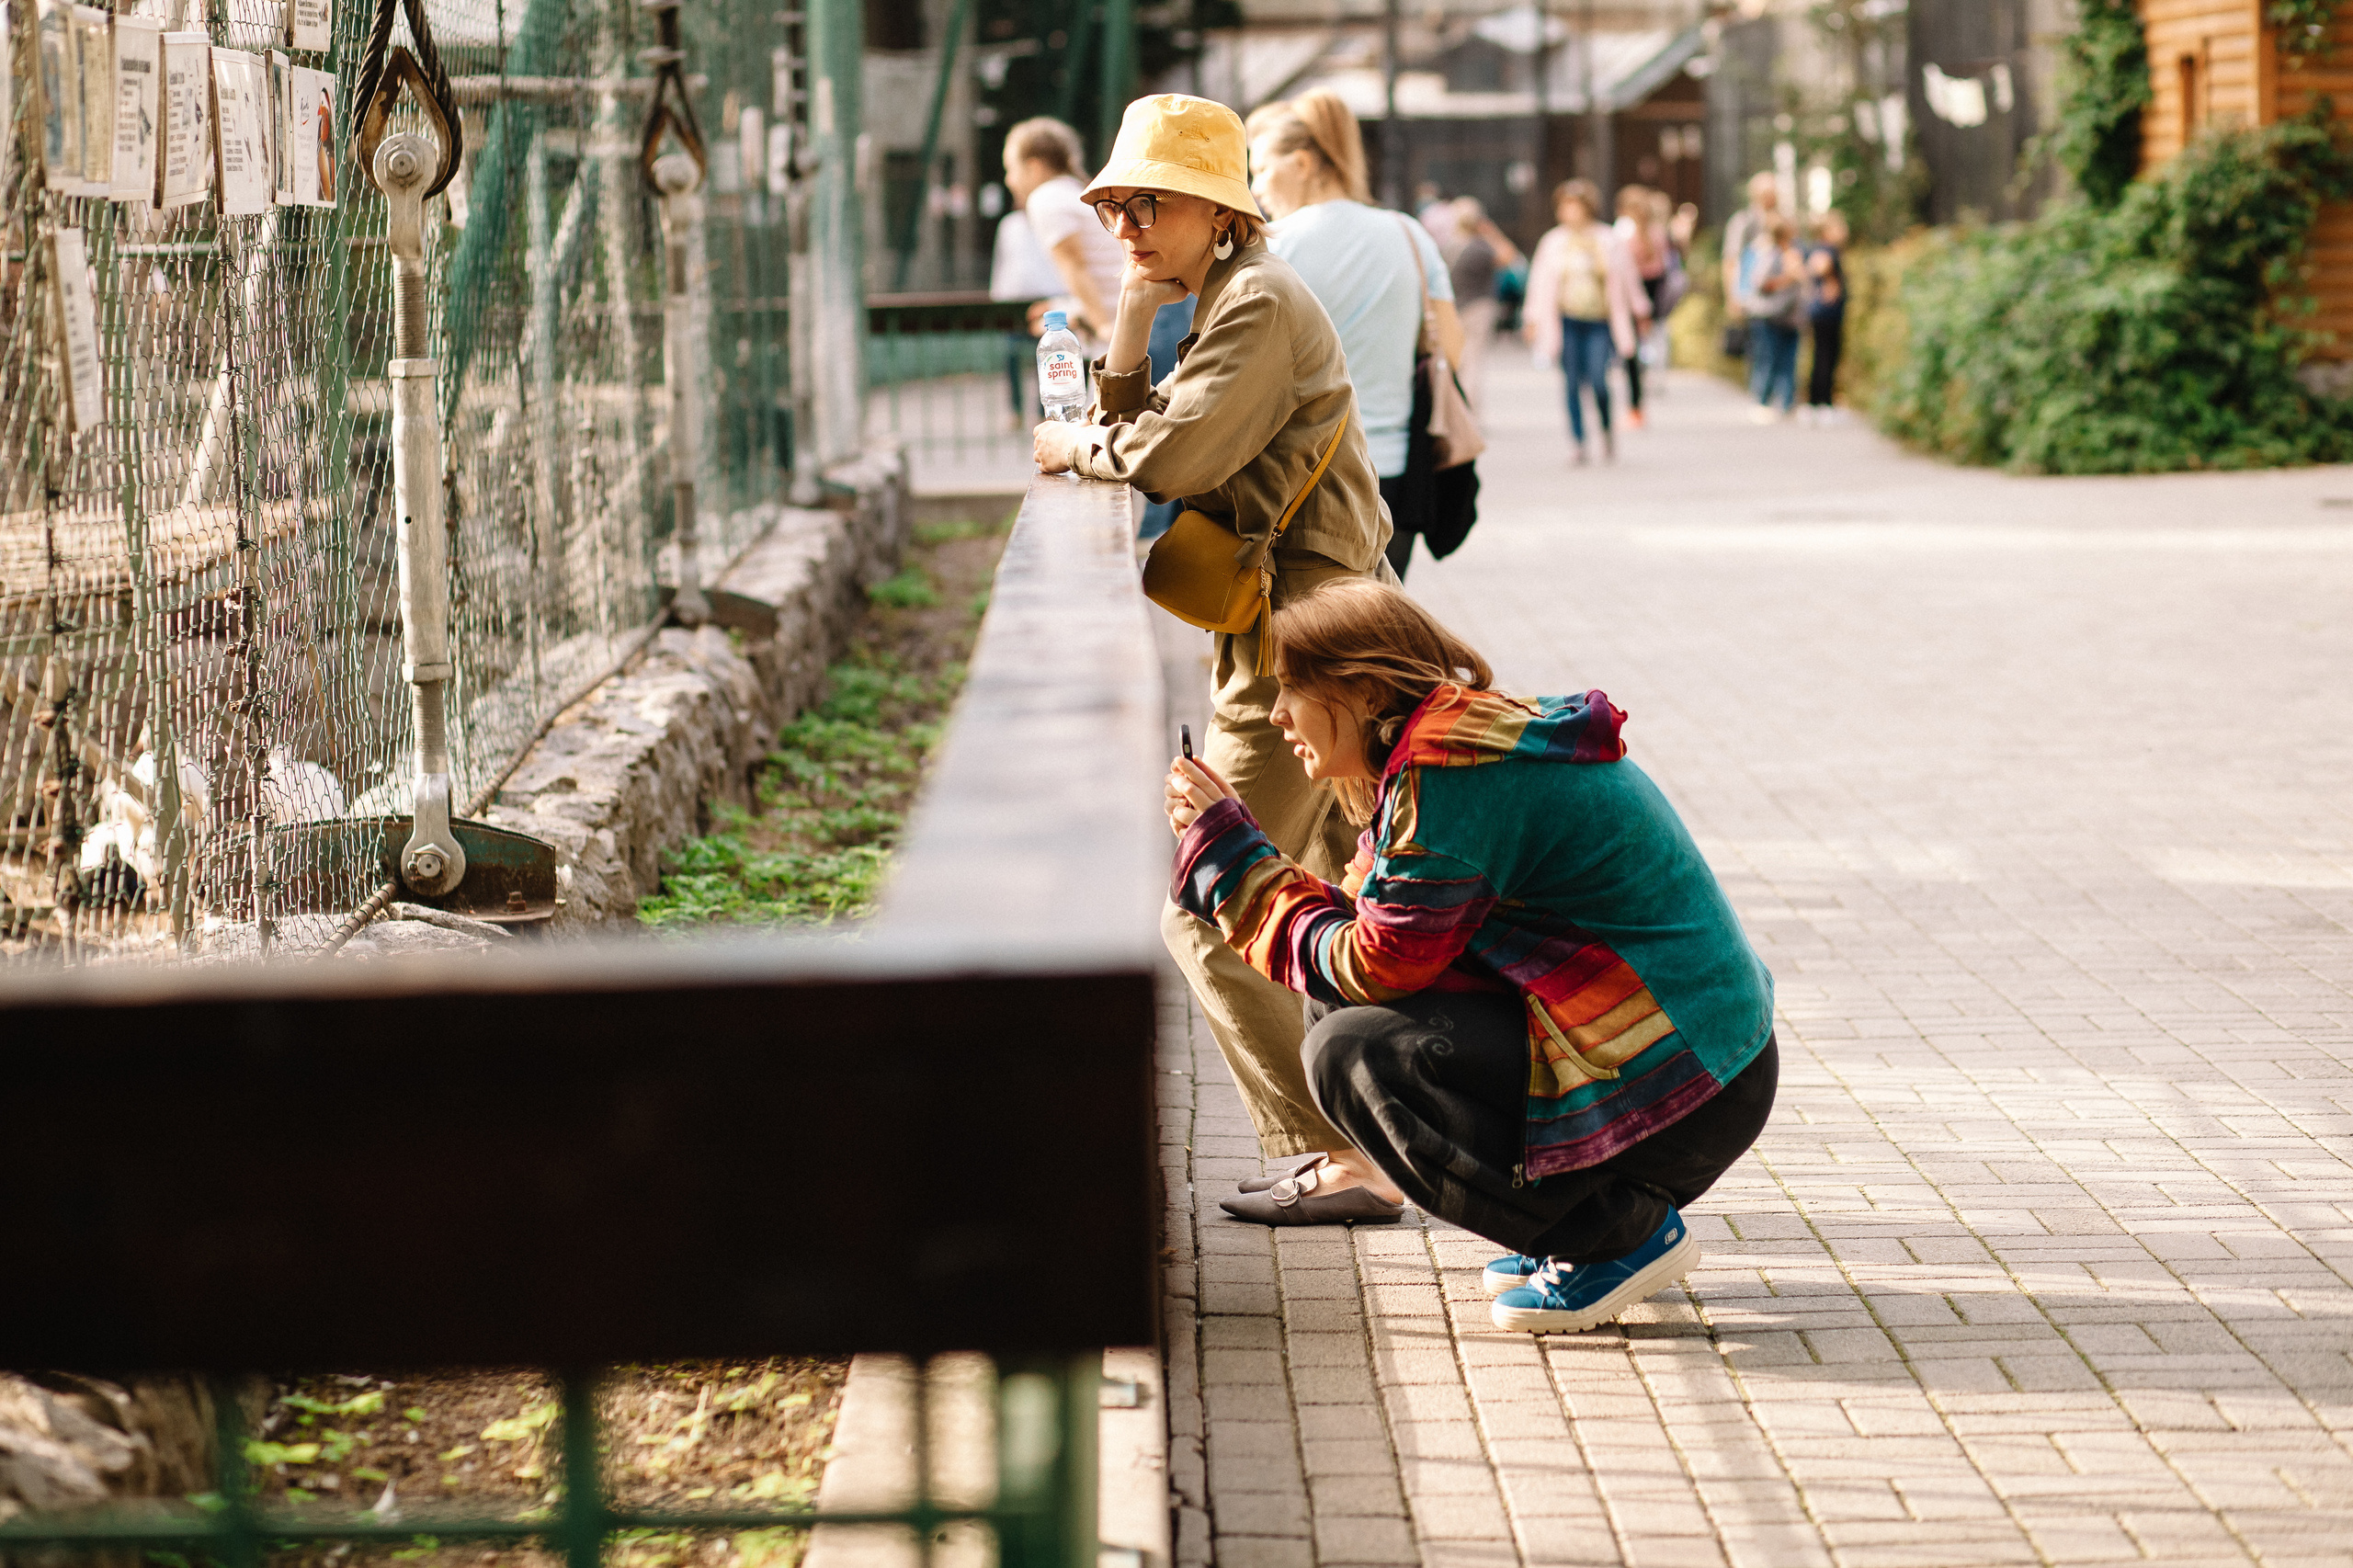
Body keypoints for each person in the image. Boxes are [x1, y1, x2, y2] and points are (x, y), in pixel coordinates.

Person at [1164, 579, 1777, 1331]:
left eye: (1293, 687)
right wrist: (1236, 848)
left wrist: (1231, 859)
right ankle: (1581, 1212)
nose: (1276, 712)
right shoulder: (1450, 746)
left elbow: (1371, 963)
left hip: (1688, 1088)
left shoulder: (1453, 776)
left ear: (1360, 688)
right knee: (1341, 1005)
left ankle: (1613, 1235)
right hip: (1695, 1060)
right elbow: (1371, 928)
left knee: (1349, 1052)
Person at [1030, 94, 1398, 1216]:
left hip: (1305, 647)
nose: (1126, 223)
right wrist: (1133, 324)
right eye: (1116, 205)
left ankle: (1343, 1157)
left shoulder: (1257, 305)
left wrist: (1077, 440)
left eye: (1150, 203)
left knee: (1204, 904)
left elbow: (1176, 456)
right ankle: (1470, 1125)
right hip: (1312, 630)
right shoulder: (1235, 296)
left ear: (1219, 209)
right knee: (1366, 901)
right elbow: (1169, 430)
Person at [1245, 92, 1463, 580]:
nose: (1256, 188)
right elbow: (1452, 346)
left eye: (1260, 169)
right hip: (1396, 475)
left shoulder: (1272, 246)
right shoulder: (1409, 233)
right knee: (1380, 632)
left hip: (1304, 481)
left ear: (1301, 163)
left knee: (1305, 643)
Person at [1524, 179, 1645, 464]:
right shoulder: (1553, 242)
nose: (1569, 212)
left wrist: (1640, 310)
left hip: (1600, 321)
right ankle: (1578, 441)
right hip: (1566, 321)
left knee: (1599, 380)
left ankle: (1605, 429)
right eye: (1565, 207)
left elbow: (1628, 278)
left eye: (1574, 206)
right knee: (1571, 383)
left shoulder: (1608, 239)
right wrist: (1532, 318)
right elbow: (1538, 283)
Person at [1002, 117, 1127, 344]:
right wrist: (1067, 308)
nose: (1008, 180)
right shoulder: (1072, 192)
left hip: (1122, 329)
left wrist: (1102, 328)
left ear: (1034, 167)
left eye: (1011, 169)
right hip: (1133, 318)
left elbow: (1075, 266)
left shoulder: (1045, 199)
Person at [988, 207, 1065, 424]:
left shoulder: (1052, 217)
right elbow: (1001, 260)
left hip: (1048, 298)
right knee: (1011, 355)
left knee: (1048, 358)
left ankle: (1044, 412)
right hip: (1015, 301)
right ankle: (1016, 410)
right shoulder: (1009, 224)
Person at [1444, 196, 1519, 412]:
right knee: (1473, 363)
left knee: (1459, 363)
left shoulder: (1449, 247)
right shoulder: (1481, 247)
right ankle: (1468, 413)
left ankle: (1459, 411)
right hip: (1479, 309)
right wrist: (1491, 232)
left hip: (1455, 309)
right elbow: (1511, 258)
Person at [1739, 213, 1806, 421]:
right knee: (1767, 359)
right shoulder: (1769, 255)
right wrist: (1788, 279)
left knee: (1789, 361)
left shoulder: (1794, 254)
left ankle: (1787, 403)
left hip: (1790, 317)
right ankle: (1762, 401)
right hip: (1769, 316)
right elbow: (1760, 283)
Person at [1613, 185, 1668, 429]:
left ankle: (1635, 404)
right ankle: (1642, 395)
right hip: (1650, 295)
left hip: (1632, 297)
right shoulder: (1656, 233)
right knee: (1646, 344)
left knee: (1631, 350)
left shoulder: (1625, 232)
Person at [1719, 171, 1781, 335]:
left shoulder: (1782, 221)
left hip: (1780, 304)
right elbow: (1731, 260)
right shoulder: (1743, 222)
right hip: (1752, 300)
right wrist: (1732, 298)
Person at [1805, 210, 1850, 423]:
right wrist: (1830, 281)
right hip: (1827, 313)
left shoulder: (1823, 249)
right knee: (1826, 357)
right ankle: (1822, 403)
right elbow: (1819, 267)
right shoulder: (1826, 250)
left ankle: (1817, 402)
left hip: (1824, 313)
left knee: (1822, 356)